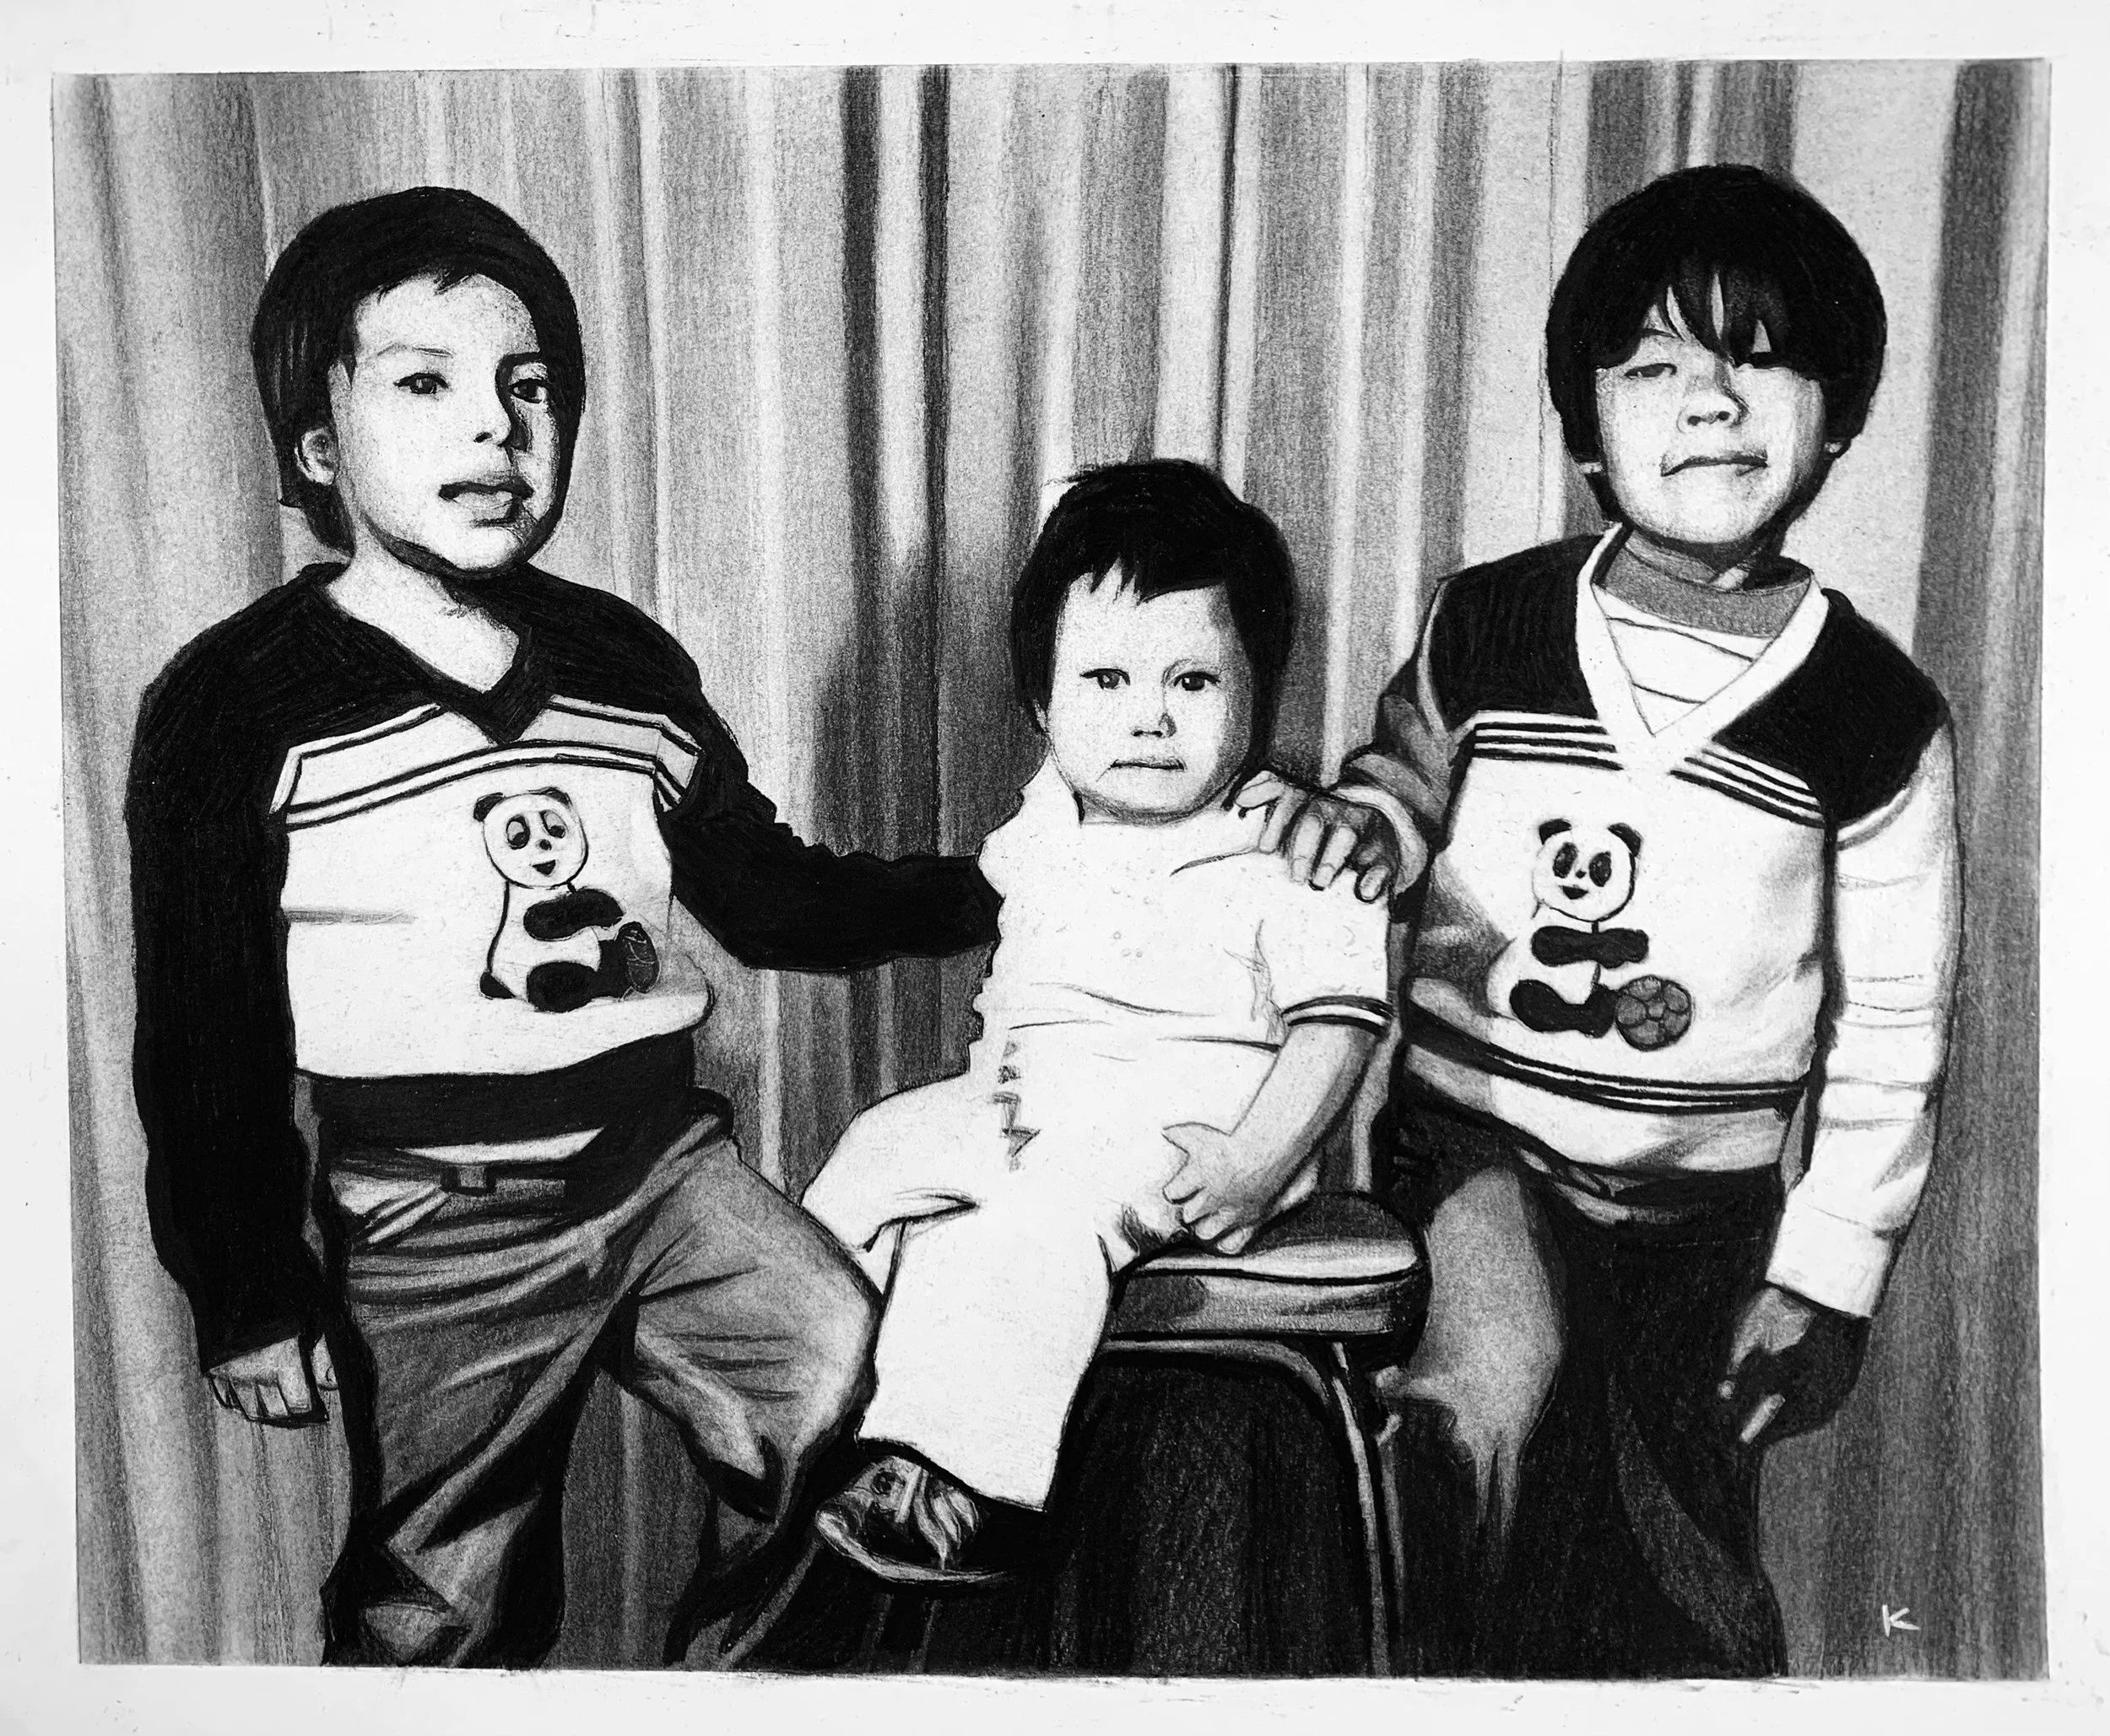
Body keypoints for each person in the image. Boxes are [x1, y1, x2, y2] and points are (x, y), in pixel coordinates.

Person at [124, 186, 1004, 1668]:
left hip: (665, 1176)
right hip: (432, 1220)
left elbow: (770, 893)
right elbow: (204, 1028)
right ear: (318, 446)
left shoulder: (624, 664)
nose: (498, 430)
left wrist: (999, 882)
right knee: (441, 1591)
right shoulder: (234, 702)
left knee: (836, 1374)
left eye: (531, 390)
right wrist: (244, 1289)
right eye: (428, 385)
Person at [1264, 164, 1962, 1674]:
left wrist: (1827, 1271)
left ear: (1837, 416)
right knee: (1485, 1408)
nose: (1710, 402)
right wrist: (1363, 826)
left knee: (1685, 1567)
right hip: (1480, 1147)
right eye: (1655, 367)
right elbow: (1398, 780)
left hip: (1710, 1211)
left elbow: (1898, 1019)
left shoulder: (1874, 716)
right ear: (1587, 432)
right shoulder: (1494, 621)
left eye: (1761, 358)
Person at [798, 460, 1394, 1585]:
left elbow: (1335, 1028)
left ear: (1256, 690)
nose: (1150, 719)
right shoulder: (1047, 815)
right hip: (1020, 1099)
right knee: (873, 1160)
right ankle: (801, 1404)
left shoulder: (1301, 850)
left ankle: (954, 1484)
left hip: (1188, 1129)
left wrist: (1258, 1165)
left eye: (1195, 683)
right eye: (1107, 680)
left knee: (1020, 1232)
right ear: (1043, 703)